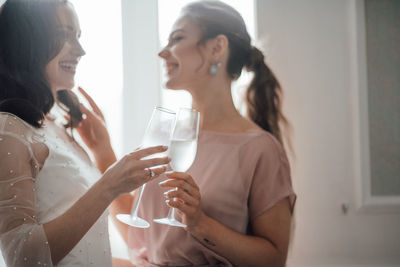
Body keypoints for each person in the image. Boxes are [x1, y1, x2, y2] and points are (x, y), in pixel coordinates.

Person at [110, 1, 296, 266]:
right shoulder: (165, 135)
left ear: (216, 47)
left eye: (177, 38)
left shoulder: (260, 148)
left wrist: (199, 224)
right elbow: (147, 240)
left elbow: (274, 260)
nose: (163, 53)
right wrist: (101, 150)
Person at [0, 0, 169, 266]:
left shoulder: (54, 127)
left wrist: (102, 152)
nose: (80, 50)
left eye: (78, 36)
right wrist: (108, 186)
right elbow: (21, 256)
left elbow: (85, 250)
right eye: (63, 34)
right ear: (26, 40)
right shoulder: (9, 128)